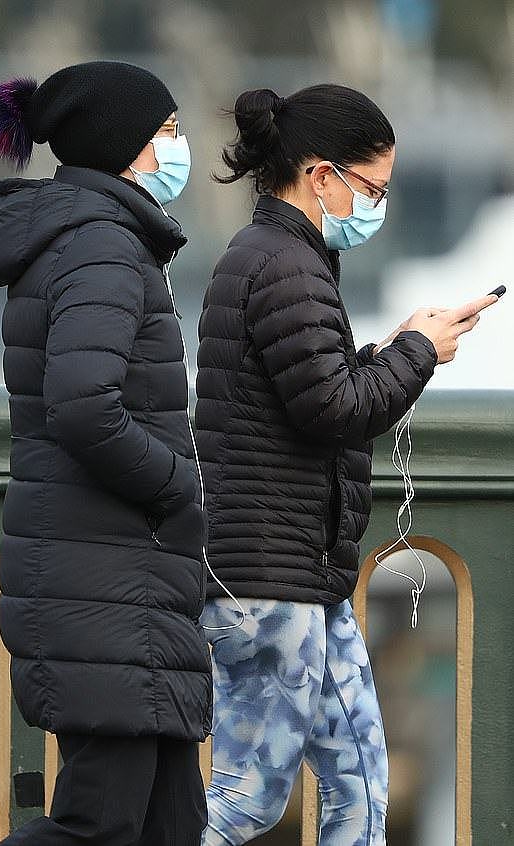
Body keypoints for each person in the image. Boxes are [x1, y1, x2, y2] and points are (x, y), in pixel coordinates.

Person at [194, 84, 497, 846]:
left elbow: (313, 388)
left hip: (303, 576)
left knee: (362, 784)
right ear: (321, 176)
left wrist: (396, 349)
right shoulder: (284, 265)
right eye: (372, 189)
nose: (376, 205)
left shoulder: (282, 257)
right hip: (266, 579)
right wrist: (418, 353)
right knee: (245, 801)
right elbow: (332, 410)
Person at [0, 60, 211, 845]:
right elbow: (84, 407)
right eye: (170, 130)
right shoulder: (103, 244)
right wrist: (179, 483)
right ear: (128, 145)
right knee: (99, 827)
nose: (180, 145)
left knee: (169, 826)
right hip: (106, 590)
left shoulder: (90, 237)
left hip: (117, 587)